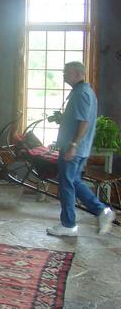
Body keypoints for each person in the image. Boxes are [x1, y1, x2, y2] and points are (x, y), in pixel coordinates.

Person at [47, 62, 116, 237]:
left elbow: (84, 122)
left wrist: (73, 145)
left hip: (74, 149)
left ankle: (69, 225)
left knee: (66, 185)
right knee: (74, 181)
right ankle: (101, 211)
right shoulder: (85, 92)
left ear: (78, 74)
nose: (63, 75)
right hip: (78, 148)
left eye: (67, 72)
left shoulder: (82, 93)